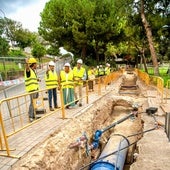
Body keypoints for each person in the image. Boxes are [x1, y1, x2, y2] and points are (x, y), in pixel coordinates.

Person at [24, 57, 39, 121]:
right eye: (36, 64)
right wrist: (27, 63)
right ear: (33, 64)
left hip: (35, 89)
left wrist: (37, 79)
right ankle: (30, 116)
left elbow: (32, 79)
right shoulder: (28, 70)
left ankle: (33, 115)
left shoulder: (33, 71)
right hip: (32, 89)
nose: (37, 65)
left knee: (34, 102)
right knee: (32, 102)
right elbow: (27, 69)